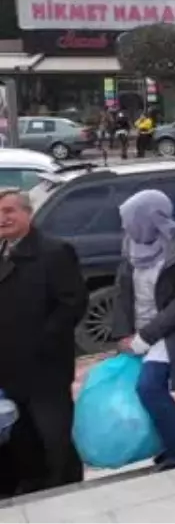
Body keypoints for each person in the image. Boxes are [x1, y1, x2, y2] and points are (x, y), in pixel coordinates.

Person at [111, 190, 175, 471]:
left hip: (174, 330)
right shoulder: (132, 243)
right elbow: (123, 292)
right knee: (147, 389)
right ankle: (169, 445)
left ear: (147, 218)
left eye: (128, 219)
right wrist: (123, 333)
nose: (124, 226)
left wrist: (147, 335)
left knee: (149, 386)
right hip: (143, 332)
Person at [0, 189, 86, 496]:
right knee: (22, 433)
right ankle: (31, 483)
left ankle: (65, 485)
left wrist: (42, 341)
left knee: (54, 431)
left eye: (10, 211)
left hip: (44, 365)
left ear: (28, 214)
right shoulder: (2, 251)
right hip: (8, 368)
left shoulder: (54, 251)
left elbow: (72, 304)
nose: (3, 218)